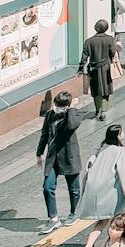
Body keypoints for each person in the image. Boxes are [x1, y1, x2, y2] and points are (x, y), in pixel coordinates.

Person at [35, 90, 87, 234]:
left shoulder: (75, 114)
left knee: (74, 188)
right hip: (53, 158)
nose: (57, 108)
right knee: (47, 187)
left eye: (61, 106)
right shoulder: (50, 115)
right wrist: (39, 153)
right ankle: (53, 219)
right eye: (56, 105)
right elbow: (45, 133)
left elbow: (71, 126)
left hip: (69, 156)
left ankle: (73, 213)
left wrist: (70, 108)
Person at [79, 125, 125, 225]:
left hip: (99, 189)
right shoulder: (122, 151)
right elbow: (124, 172)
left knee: (104, 221)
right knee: (120, 219)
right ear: (118, 136)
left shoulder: (102, 149)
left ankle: (93, 241)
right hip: (114, 190)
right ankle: (118, 240)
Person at [77, 18, 120, 121]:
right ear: (106, 28)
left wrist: (80, 68)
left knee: (95, 90)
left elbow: (84, 56)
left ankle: (97, 110)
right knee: (106, 89)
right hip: (106, 68)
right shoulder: (110, 39)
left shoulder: (89, 41)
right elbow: (113, 53)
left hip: (93, 68)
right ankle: (104, 110)